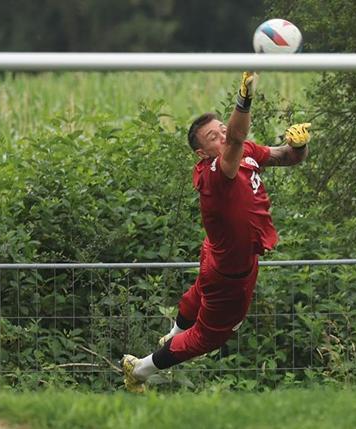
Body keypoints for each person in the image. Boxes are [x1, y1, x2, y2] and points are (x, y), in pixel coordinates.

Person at [121, 72, 311, 393]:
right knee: (210, 336)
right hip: (231, 272)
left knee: (197, 294)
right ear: (202, 153)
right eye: (213, 136)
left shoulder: (243, 151)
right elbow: (237, 140)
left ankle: (174, 331)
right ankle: (139, 371)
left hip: (217, 254)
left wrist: (300, 145)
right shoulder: (217, 172)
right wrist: (244, 99)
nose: (222, 135)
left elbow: (288, 157)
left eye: (222, 128)